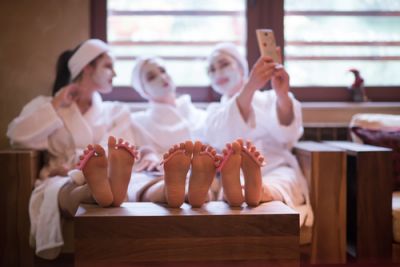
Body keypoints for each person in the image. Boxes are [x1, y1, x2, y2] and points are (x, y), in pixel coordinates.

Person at [6, 39, 145, 259]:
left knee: (128, 180)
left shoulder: (116, 111)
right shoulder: (48, 104)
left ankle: (100, 184)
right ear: (87, 67)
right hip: (60, 177)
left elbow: (124, 152)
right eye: (108, 66)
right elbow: (16, 136)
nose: (115, 74)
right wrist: (56, 104)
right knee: (66, 187)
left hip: (109, 173)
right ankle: (97, 187)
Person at [203, 43, 312, 226]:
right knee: (232, 183)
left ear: (241, 67)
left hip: (274, 166)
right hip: (234, 172)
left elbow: (288, 135)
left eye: (223, 64)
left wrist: (282, 95)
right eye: (211, 70)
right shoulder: (214, 111)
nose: (218, 73)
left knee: (283, 180)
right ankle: (242, 190)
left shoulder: (271, 97)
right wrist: (250, 87)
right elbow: (220, 139)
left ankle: (261, 190)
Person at [128, 56, 219, 208]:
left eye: (163, 70)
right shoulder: (137, 121)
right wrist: (147, 154)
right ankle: (173, 188)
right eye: (151, 77)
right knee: (140, 180)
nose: (162, 77)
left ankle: (194, 188)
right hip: (157, 173)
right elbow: (135, 153)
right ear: (143, 90)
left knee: (211, 175)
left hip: (198, 171)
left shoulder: (201, 116)